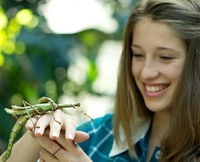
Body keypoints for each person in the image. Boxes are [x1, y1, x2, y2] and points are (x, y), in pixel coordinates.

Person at [1, 0, 200, 161]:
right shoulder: (99, 133)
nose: (146, 73)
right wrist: (38, 136)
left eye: (165, 57)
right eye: (137, 55)